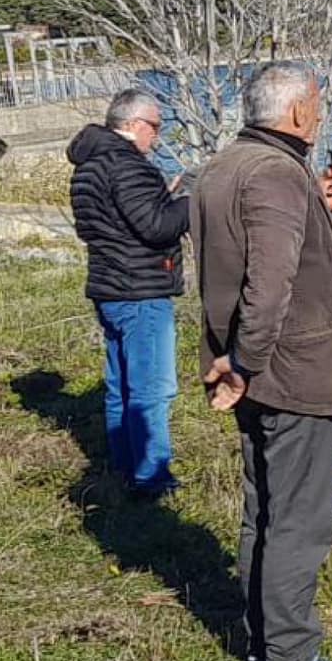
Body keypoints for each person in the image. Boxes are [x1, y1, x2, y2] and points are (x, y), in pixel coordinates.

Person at [193, 60, 332, 661]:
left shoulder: (225, 165)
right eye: (317, 106)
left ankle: (262, 651)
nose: (321, 117)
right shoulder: (274, 173)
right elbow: (267, 286)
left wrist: (317, 208)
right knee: (298, 522)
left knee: (262, 514)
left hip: (250, 368)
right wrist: (245, 362)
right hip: (287, 372)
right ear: (298, 113)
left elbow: (254, 250)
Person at [67, 88, 191, 499]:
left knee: (120, 384)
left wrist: (164, 199)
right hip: (140, 290)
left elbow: (110, 226)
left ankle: (124, 464)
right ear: (134, 125)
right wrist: (190, 202)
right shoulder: (129, 166)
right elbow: (155, 228)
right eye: (155, 127)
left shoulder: (88, 166)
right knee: (152, 387)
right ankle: (152, 477)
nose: (156, 136)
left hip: (108, 286)